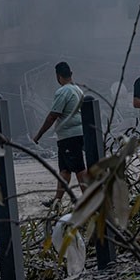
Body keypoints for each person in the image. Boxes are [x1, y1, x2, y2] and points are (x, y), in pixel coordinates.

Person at [32, 61, 88, 207]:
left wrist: (39, 135)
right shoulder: (78, 90)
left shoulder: (63, 91)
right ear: (71, 74)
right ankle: (57, 201)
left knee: (79, 168)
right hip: (75, 134)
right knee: (65, 170)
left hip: (69, 136)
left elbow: (53, 116)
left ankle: (89, 201)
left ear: (58, 76)